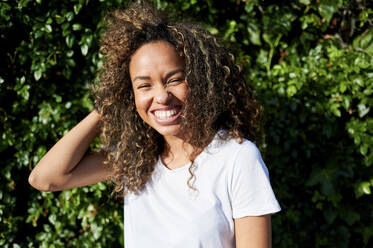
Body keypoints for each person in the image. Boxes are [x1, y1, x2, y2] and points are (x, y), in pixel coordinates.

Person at [28, 1, 281, 247]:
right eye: (144, 85)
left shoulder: (237, 158)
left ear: (201, 81)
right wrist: (109, 103)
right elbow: (46, 178)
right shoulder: (135, 160)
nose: (160, 97)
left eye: (174, 79)